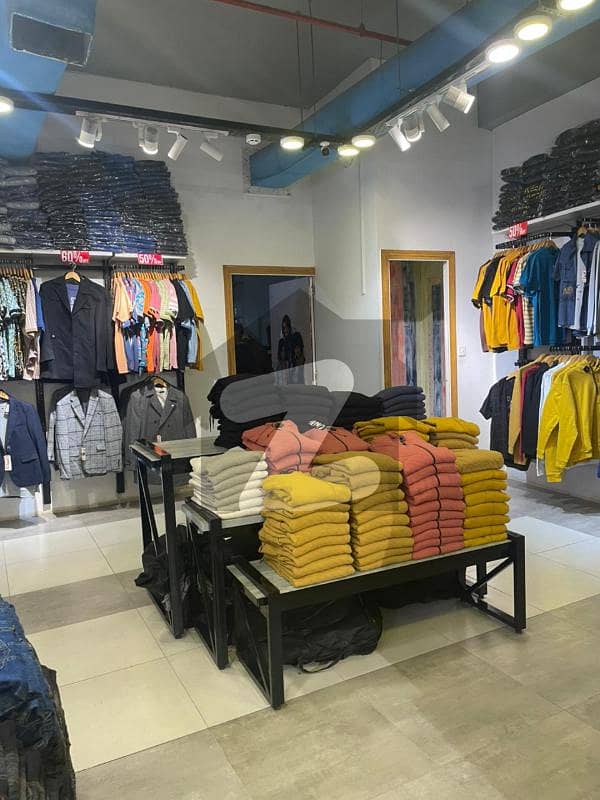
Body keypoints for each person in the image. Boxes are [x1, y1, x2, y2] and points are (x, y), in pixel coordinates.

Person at [276, 314, 305, 383]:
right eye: (284, 328)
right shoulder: (282, 342)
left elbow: (299, 356)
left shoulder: (296, 336)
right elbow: (280, 358)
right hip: (286, 373)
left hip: (296, 371)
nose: (285, 330)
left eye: (287, 327)